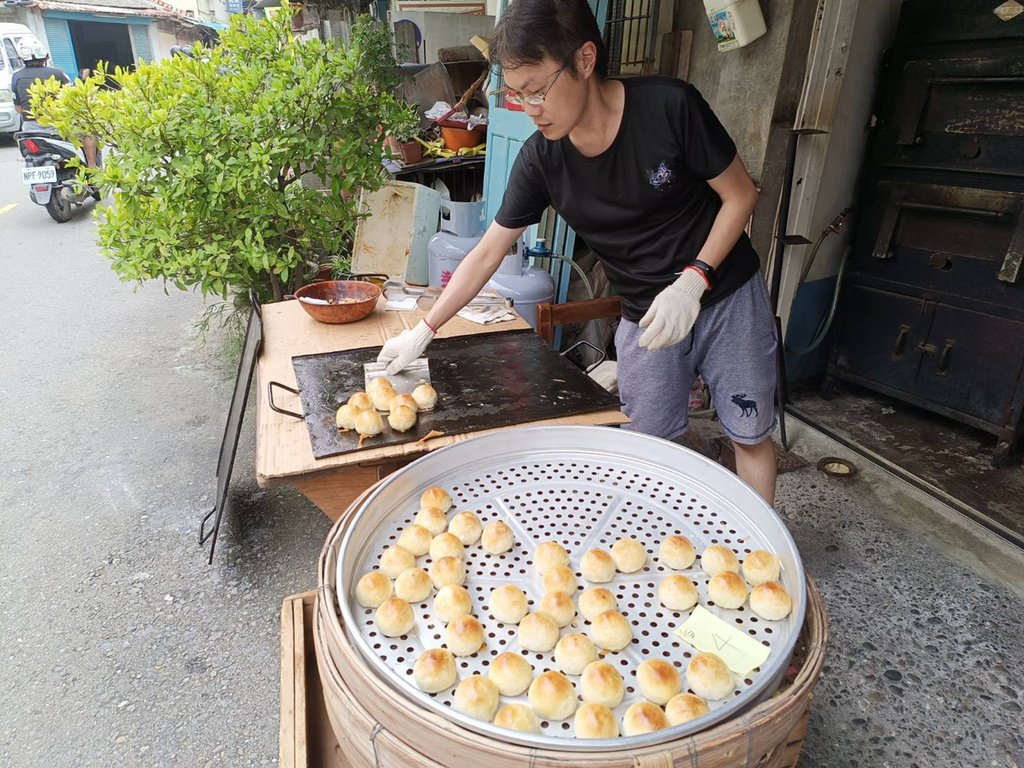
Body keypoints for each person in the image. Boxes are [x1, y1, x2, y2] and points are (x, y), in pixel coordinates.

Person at [378, 0, 779, 505]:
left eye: (538, 91)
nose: (530, 109)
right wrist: (425, 329)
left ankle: (766, 560)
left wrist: (695, 279)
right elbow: (486, 253)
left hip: (725, 294)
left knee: (750, 434)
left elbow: (741, 195)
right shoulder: (543, 159)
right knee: (648, 445)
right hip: (646, 315)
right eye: (517, 95)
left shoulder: (669, 107)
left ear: (585, 60)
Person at [12, 39, 98, 168]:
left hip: (31, 129)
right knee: (88, 134)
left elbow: (19, 109)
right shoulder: (56, 73)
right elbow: (72, 98)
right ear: (46, 57)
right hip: (57, 126)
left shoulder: (16, 77)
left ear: (22, 58)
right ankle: (92, 168)